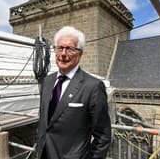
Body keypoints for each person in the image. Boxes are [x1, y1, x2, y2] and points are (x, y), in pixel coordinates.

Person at [37, 26, 111, 159]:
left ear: (80, 53)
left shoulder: (93, 86)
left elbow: (103, 137)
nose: (63, 54)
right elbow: (44, 122)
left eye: (70, 49)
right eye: (59, 48)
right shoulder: (47, 81)